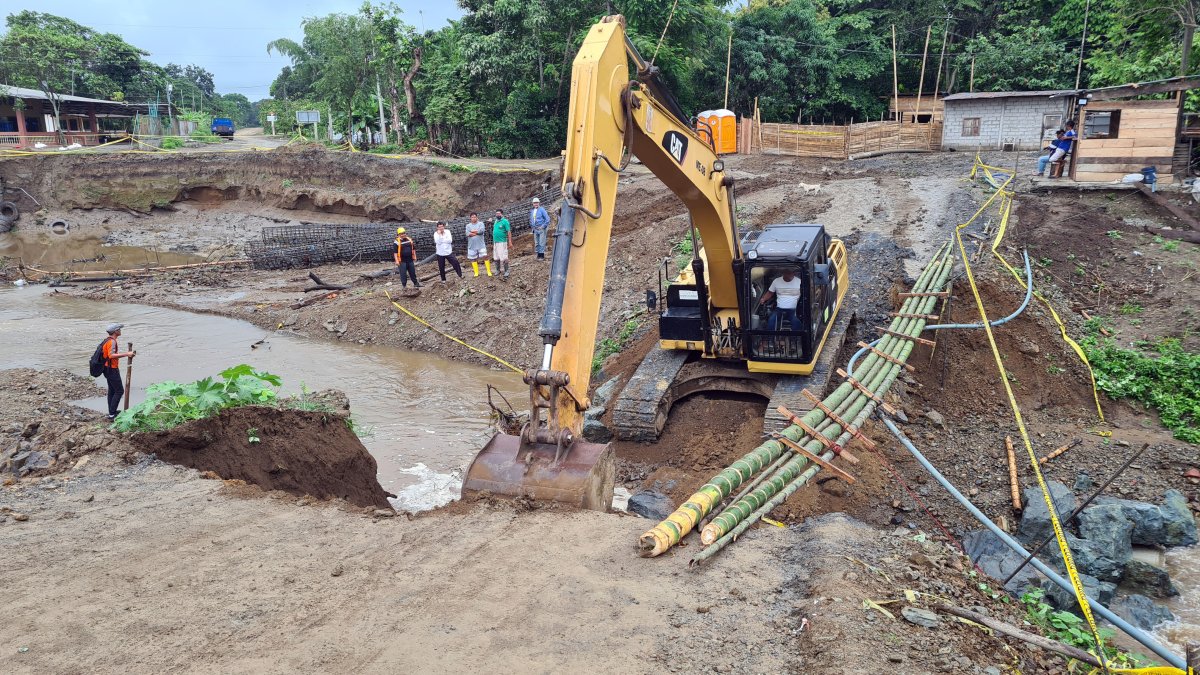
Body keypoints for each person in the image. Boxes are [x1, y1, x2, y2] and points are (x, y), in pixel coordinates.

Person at [99, 323, 135, 420]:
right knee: (119, 391)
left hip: (106, 368)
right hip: (111, 369)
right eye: (119, 329)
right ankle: (112, 414)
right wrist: (127, 354)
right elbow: (111, 355)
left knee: (112, 390)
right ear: (115, 331)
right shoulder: (112, 342)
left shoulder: (107, 340)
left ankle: (112, 412)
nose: (120, 330)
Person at [465, 212, 492, 277]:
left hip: (481, 245)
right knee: (473, 259)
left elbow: (481, 231)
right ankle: (476, 272)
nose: (473, 218)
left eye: (474, 217)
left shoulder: (481, 223)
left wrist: (472, 231)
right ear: (470, 218)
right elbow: (467, 234)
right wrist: (475, 232)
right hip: (471, 245)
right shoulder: (468, 226)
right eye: (472, 217)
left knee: (485, 256)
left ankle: (488, 271)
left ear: (477, 217)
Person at [492, 208, 512, 279]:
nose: (497, 215)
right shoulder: (496, 221)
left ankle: (506, 271)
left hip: (502, 242)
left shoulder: (505, 221)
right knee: (496, 256)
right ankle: (498, 270)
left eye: (499, 213)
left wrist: (510, 242)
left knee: (504, 256)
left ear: (502, 214)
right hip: (495, 242)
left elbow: (508, 232)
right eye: (496, 213)